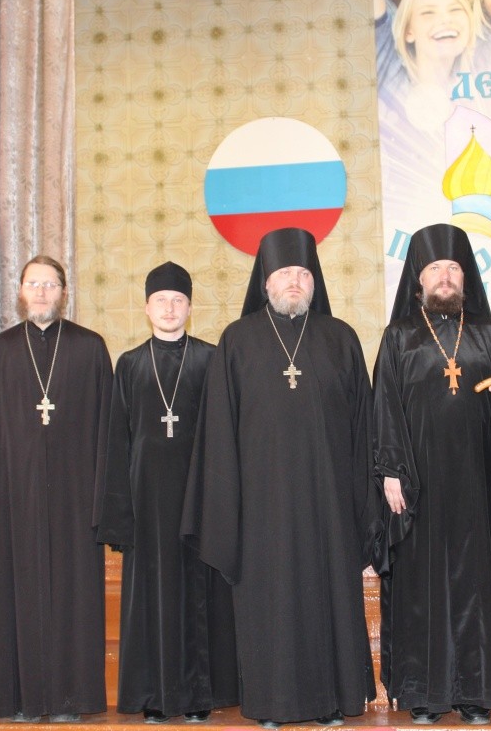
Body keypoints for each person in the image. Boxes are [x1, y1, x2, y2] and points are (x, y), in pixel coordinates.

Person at [181, 227, 380, 728]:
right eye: (284, 273)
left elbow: (364, 429)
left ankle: (333, 700)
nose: (294, 281)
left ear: (314, 281)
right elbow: (218, 433)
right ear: (265, 281)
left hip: (329, 506)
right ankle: (272, 704)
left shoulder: (341, 338)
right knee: (268, 601)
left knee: (328, 596)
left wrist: (363, 505)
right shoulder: (237, 340)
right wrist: (228, 510)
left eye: (303, 274)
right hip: (261, 508)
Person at [374, 223, 491, 725]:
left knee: (477, 585)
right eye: (436, 268)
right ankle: (424, 692)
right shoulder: (399, 336)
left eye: (454, 269)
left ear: (465, 278)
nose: (445, 276)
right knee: (421, 587)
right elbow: (384, 406)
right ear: (419, 279)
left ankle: (477, 692)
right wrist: (390, 470)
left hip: (479, 482)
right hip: (417, 483)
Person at [0, 255, 113, 722]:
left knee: (73, 595)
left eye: (50, 284)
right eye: (33, 284)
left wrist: (105, 499)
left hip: (75, 496)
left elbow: (108, 430)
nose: (42, 292)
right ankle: (17, 700)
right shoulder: (0, 351)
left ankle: (73, 699)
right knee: (17, 593)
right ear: (21, 291)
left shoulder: (90, 348)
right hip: (15, 494)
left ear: (64, 292)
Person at [97, 262, 237, 723]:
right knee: (153, 598)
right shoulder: (130, 364)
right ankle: (155, 695)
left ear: (190, 308)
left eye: (178, 301)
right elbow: (116, 441)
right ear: (147, 308)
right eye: (161, 301)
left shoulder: (211, 359)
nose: (170, 308)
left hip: (201, 496)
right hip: (147, 501)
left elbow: (226, 433)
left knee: (200, 594)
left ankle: (199, 697)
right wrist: (119, 514)